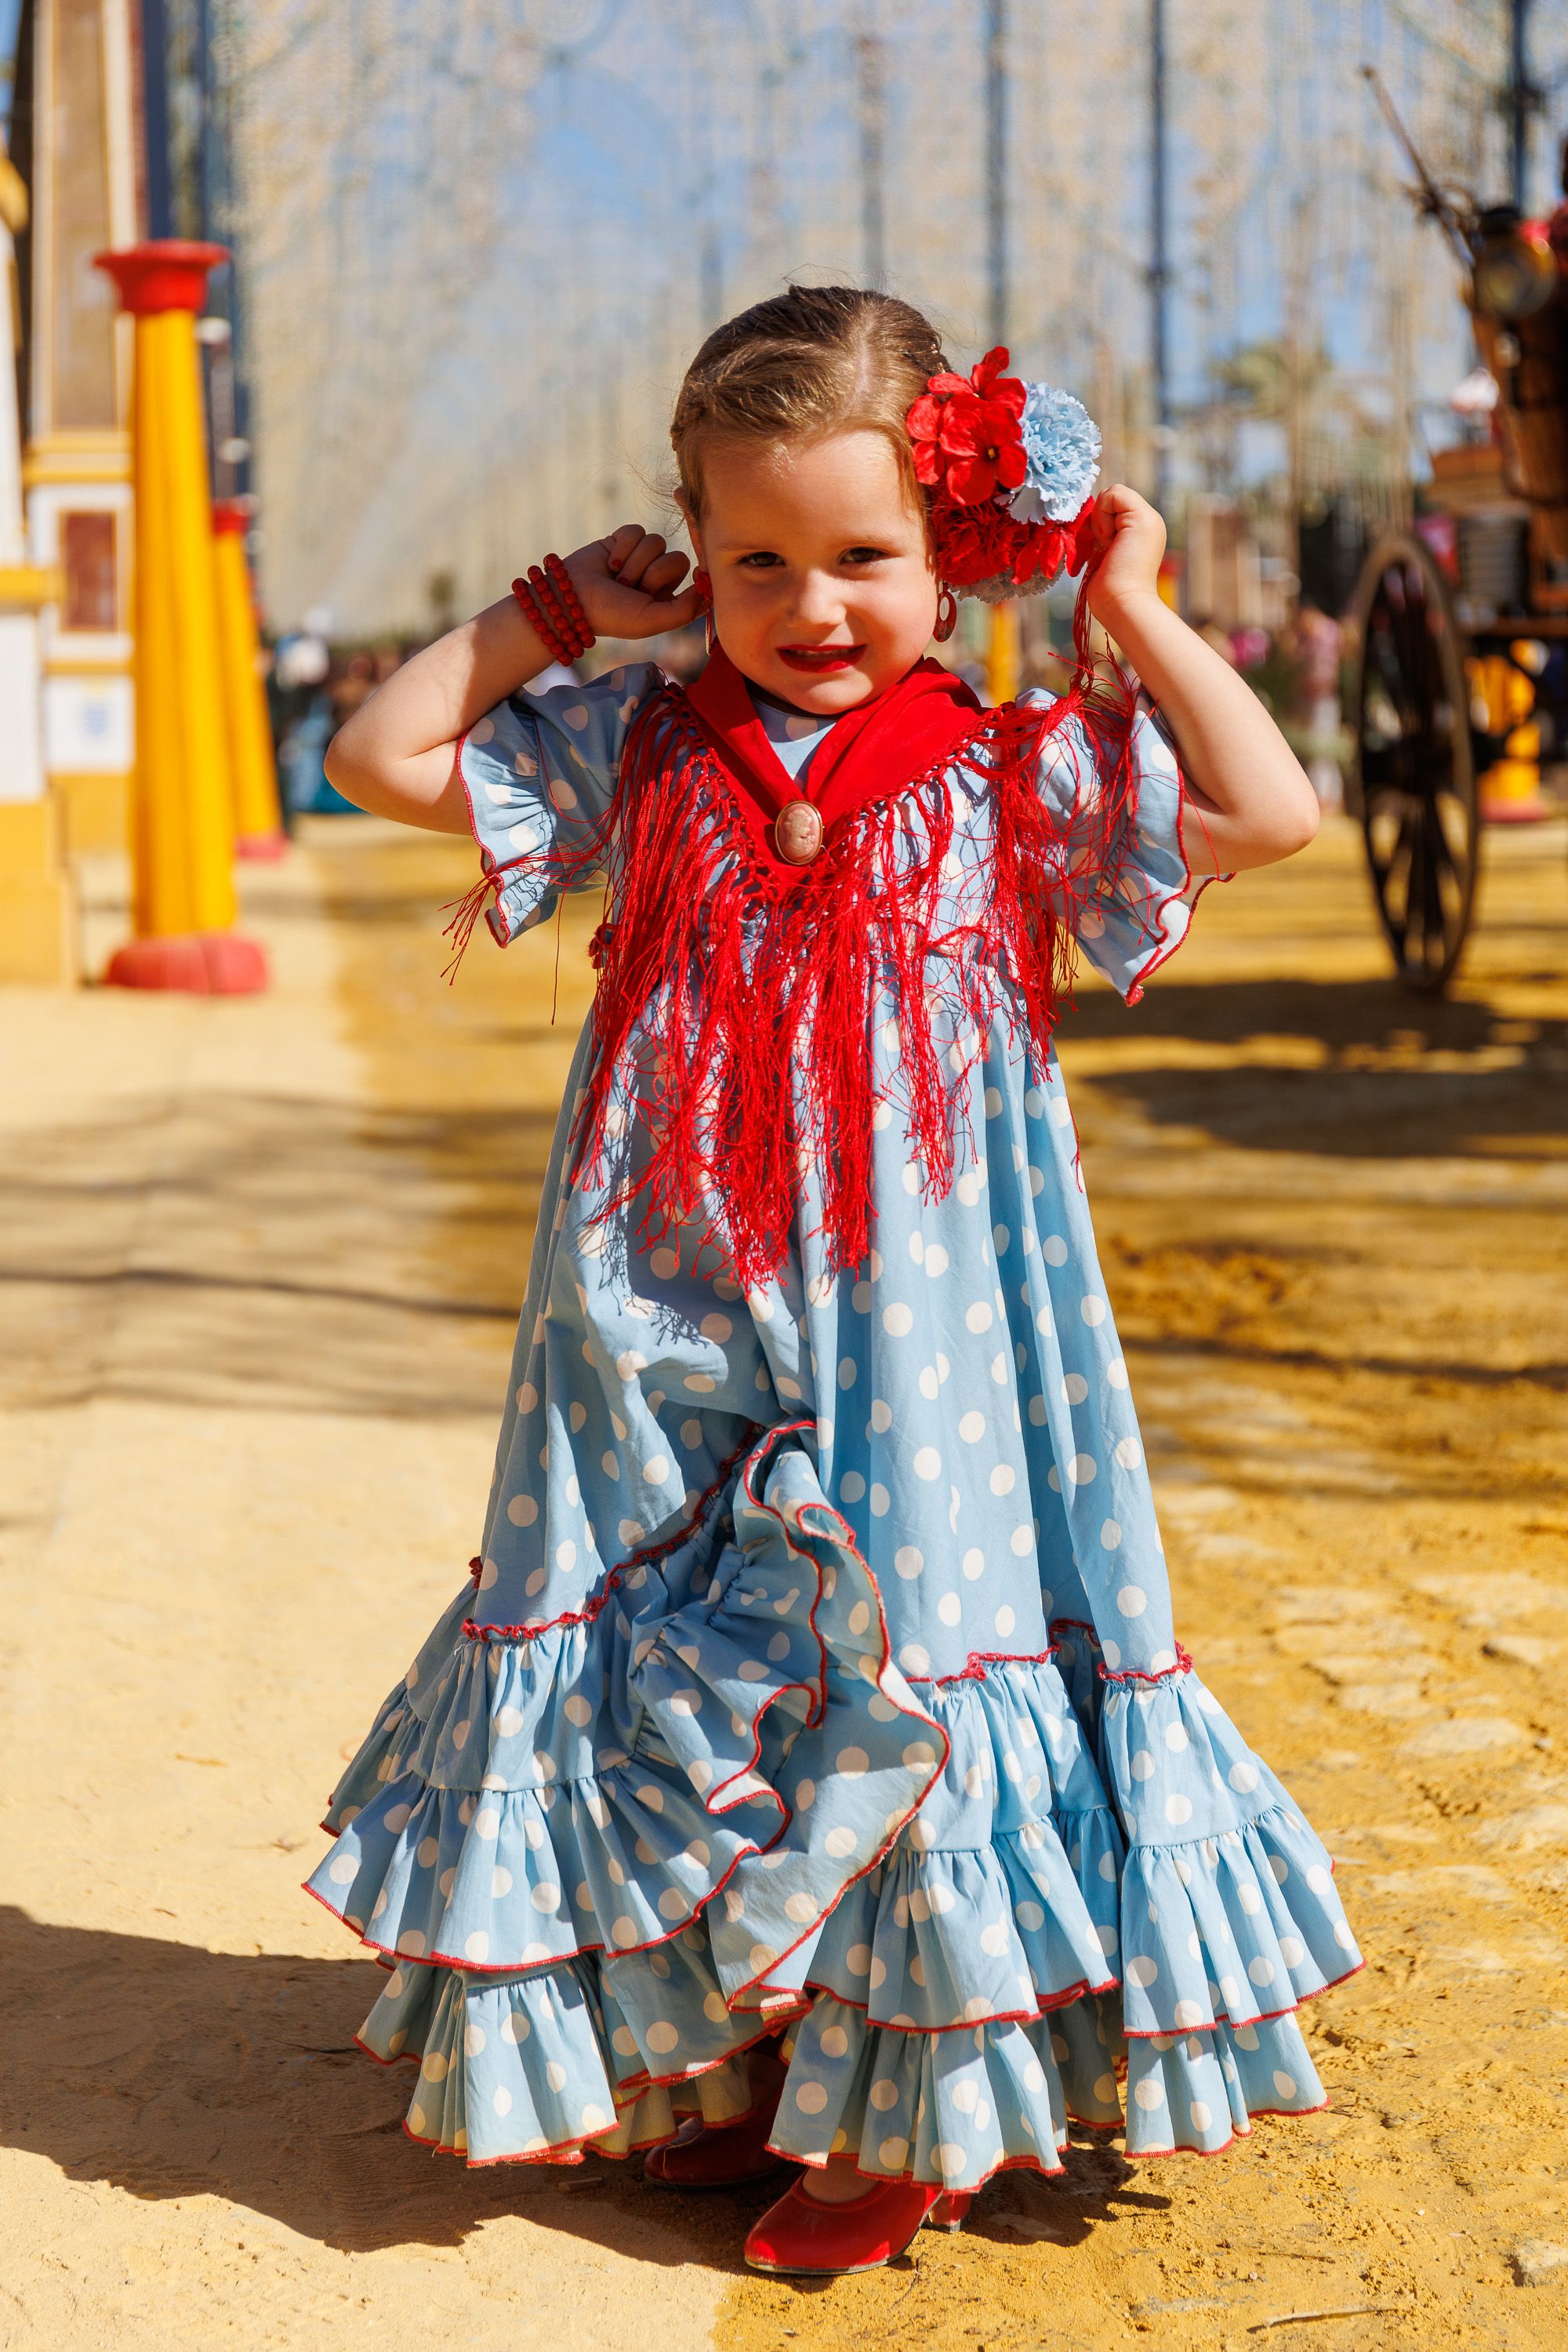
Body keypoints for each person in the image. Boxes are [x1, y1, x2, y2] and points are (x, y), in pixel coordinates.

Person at [317, 287, 1358, 2278]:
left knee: (921, 1629)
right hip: (655, 1287)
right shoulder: (639, 735)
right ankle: (732, 2056)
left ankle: (915, 2101)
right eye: (754, 561)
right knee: (671, 1638)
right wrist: (553, 613)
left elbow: (1269, 812)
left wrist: (1126, 608)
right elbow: (383, 755)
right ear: (687, 556)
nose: (811, 604)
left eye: (864, 557)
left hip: (927, 1305)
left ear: (950, 557)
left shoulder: (1000, 768)